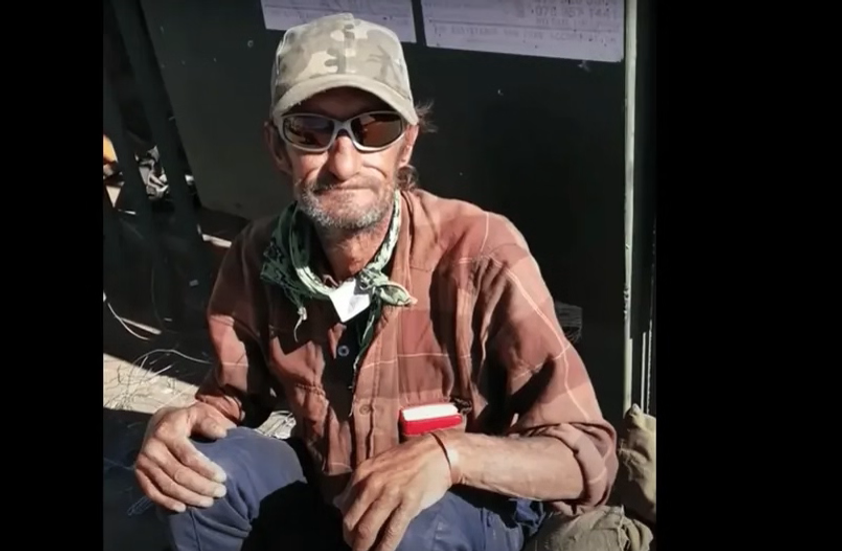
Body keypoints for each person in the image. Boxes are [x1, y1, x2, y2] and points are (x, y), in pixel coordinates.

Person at [134, 12, 618, 551]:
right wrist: (179, 427)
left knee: (406, 525)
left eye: (373, 129)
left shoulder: (481, 252)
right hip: (330, 495)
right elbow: (228, 400)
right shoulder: (258, 254)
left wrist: (449, 456)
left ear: (405, 145)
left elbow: (586, 452)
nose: (342, 162)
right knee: (198, 479)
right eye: (311, 130)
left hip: (453, 517)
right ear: (277, 147)